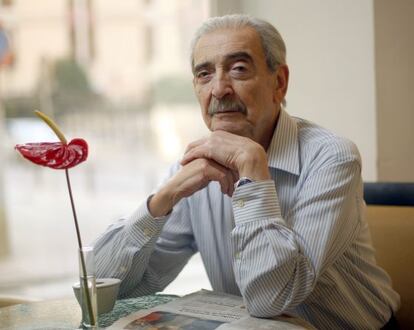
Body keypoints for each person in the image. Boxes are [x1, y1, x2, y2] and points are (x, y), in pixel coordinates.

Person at [93, 14, 400, 329]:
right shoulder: (195, 170)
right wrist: (163, 198)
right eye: (204, 73)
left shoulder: (331, 158)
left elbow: (270, 298)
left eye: (238, 69)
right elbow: (106, 287)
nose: (220, 89)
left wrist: (253, 170)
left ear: (278, 83)